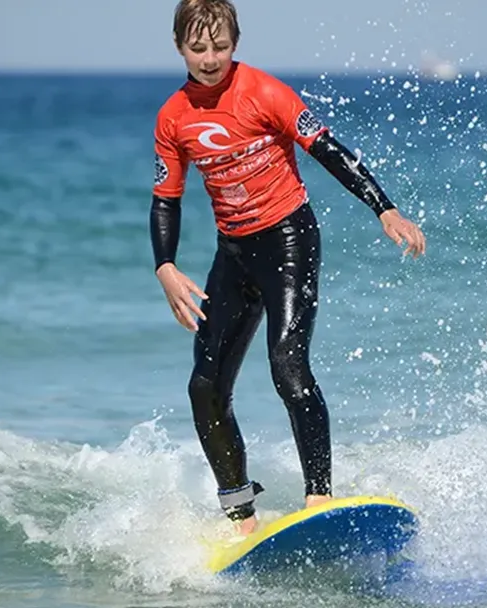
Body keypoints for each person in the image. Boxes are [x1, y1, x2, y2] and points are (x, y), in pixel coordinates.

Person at [149, 0, 426, 536]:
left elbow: (328, 150)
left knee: (288, 369)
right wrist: (164, 265)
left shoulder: (265, 92)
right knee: (204, 387)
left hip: (288, 242)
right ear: (180, 46)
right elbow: (166, 198)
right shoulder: (172, 117)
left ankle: (319, 496)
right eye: (198, 47)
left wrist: (383, 207)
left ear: (237, 42)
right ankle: (240, 516)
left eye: (221, 46)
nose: (210, 59)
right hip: (232, 254)